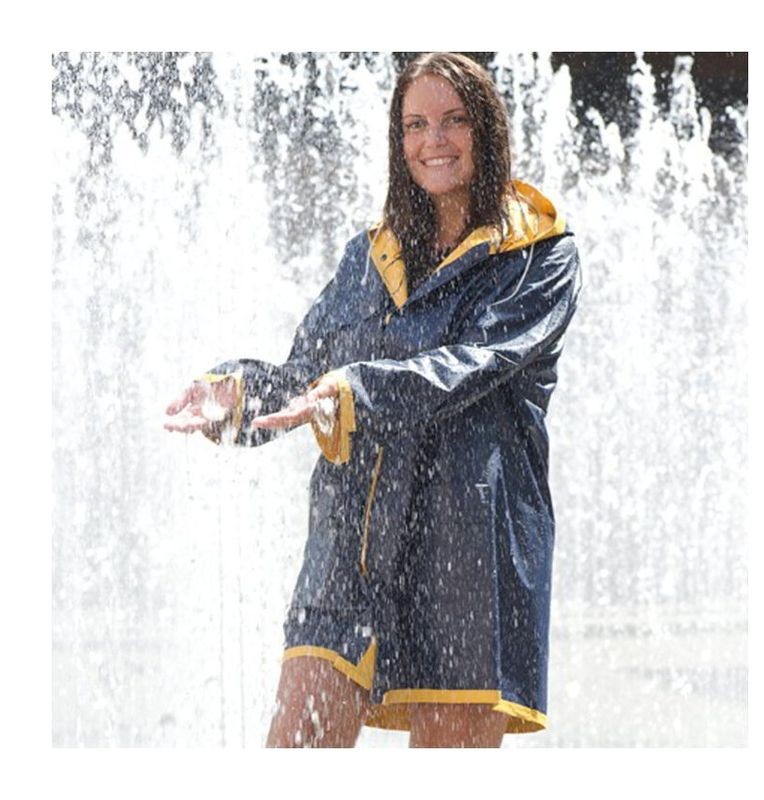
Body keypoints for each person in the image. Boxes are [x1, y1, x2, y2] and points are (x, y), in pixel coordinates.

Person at [165, 52, 582, 748]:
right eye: (415, 125)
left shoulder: (540, 255)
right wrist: (236, 394)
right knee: (297, 745)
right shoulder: (368, 256)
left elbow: (469, 367)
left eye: (453, 120)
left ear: (486, 129)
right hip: (348, 544)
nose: (433, 141)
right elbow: (308, 375)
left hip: (465, 552)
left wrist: (350, 391)